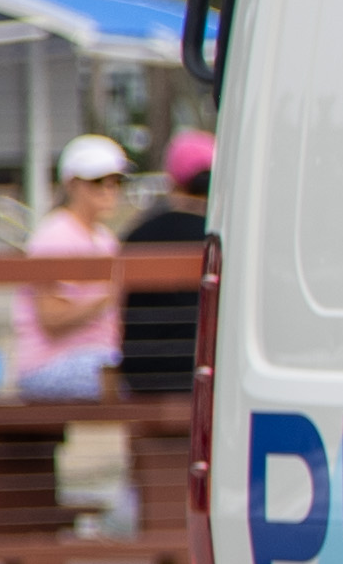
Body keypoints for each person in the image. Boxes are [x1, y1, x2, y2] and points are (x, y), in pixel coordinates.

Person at [16, 135, 133, 395]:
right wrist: (107, 300)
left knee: (151, 377)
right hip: (53, 362)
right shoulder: (55, 235)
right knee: (141, 384)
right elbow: (51, 318)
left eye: (115, 182)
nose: (108, 189)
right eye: (97, 181)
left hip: (98, 356)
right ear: (72, 185)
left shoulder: (103, 238)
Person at [114, 129, 216, 399]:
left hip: (143, 374)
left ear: (173, 180)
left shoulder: (138, 234)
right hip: (206, 373)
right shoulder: (220, 239)